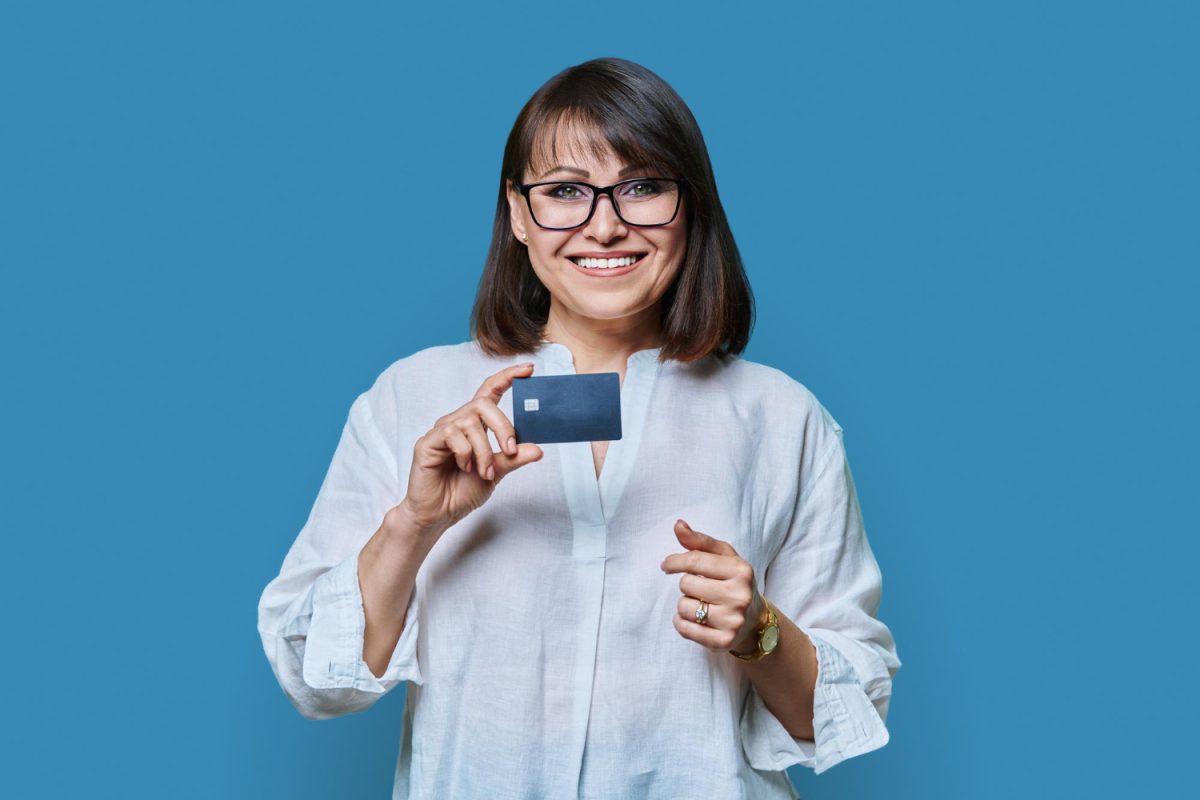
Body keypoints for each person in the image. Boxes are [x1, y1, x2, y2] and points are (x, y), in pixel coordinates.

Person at [257, 57, 901, 799]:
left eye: (642, 187)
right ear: (518, 214)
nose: (605, 224)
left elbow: (847, 715)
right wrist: (414, 523)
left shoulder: (784, 420)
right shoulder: (410, 398)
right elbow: (315, 679)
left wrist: (760, 631)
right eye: (564, 191)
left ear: (689, 208)